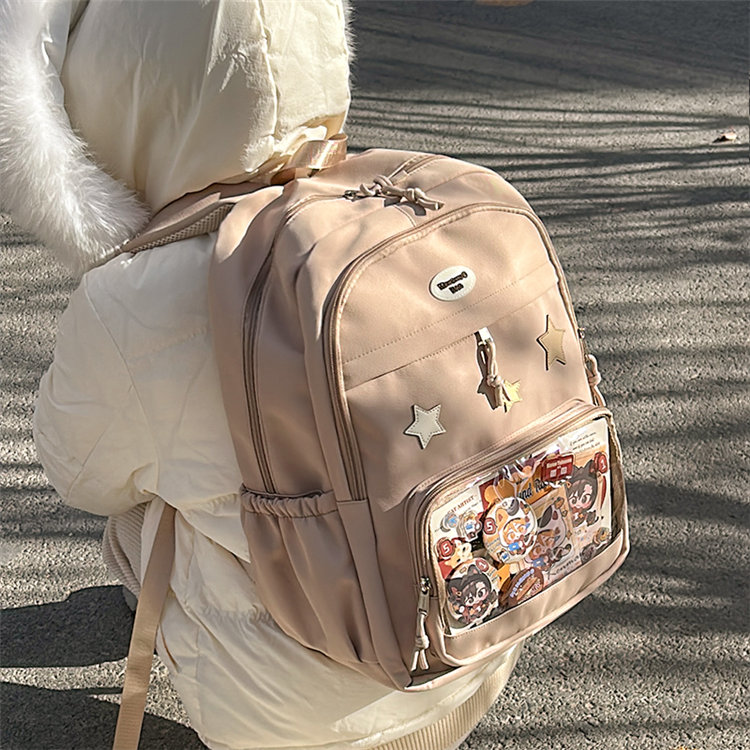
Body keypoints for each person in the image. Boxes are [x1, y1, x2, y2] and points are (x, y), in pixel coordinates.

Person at [0, 1, 521, 748]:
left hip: (302, 725)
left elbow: (78, 474)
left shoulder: (138, 298)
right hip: (475, 647)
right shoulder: (410, 202)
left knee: (139, 502)